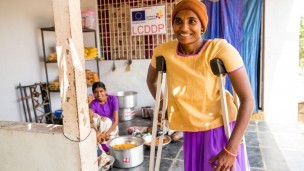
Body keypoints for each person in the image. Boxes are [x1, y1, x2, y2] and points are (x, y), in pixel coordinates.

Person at [146, 0, 255, 170]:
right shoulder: (163, 51)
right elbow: (151, 81)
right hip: (190, 130)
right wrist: (163, 105)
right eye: (178, 21)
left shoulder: (220, 49)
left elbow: (247, 100)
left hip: (219, 127)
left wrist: (231, 150)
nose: (184, 28)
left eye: (192, 21)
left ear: (202, 27)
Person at [89, 82, 119, 149]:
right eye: (96, 92)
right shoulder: (93, 104)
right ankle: (100, 139)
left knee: (104, 120)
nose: (99, 94)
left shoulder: (113, 99)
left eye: (101, 91)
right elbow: (90, 113)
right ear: (93, 94)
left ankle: (108, 138)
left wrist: (106, 134)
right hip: (100, 130)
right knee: (93, 116)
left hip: (112, 128)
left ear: (105, 91)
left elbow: (116, 121)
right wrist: (98, 133)